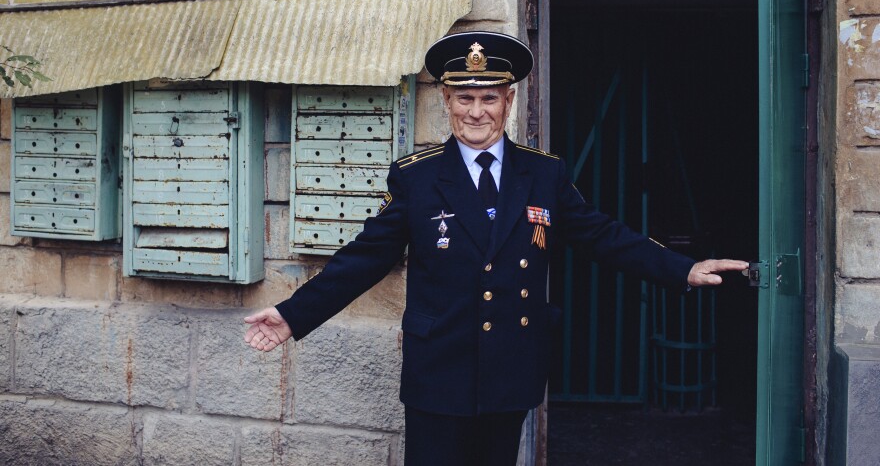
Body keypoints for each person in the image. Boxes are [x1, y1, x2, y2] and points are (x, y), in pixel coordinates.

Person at [244, 31, 747, 465]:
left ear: (509, 100)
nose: (476, 112)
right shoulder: (417, 178)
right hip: (438, 369)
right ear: (446, 101)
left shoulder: (544, 173)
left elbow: (601, 234)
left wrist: (681, 269)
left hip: (510, 366)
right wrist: (292, 315)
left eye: (489, 98)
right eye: (464, 99)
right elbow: (365, 258)